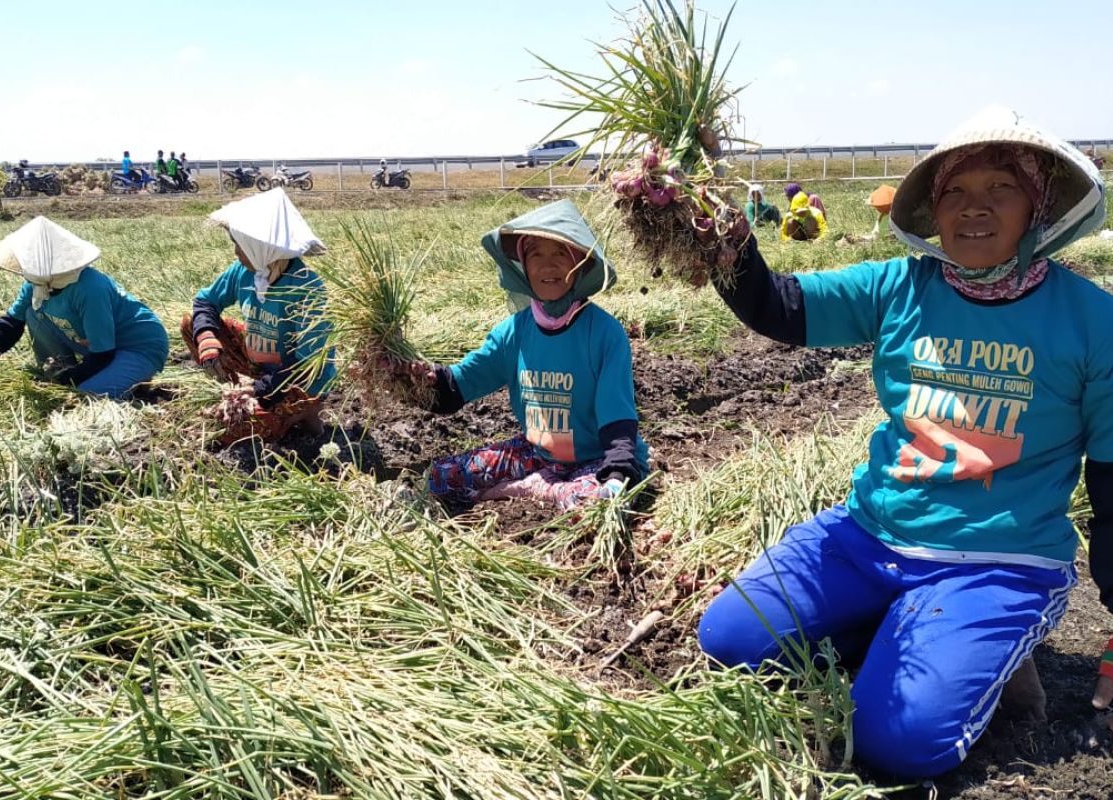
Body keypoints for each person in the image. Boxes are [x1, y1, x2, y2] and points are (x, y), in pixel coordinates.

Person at [695, 107, 1111, 780]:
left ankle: (998, 662)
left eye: (1000, 189)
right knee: (729, 642)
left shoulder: (1093, 321)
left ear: (1037, 206)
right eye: (955, 191)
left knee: (896, 745)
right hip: (870, 537)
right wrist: (725, 246)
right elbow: (780, 306)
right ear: (933, 208)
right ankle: (897, 621)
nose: (974, 208)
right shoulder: (898, 287)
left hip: (998, 562)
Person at [386, 199, 649, 513]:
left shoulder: (605, 334)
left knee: (593, 504)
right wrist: (416, 380)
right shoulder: (513, 332)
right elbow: (459, 386)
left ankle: (529, 488)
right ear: (523, 266)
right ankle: (539, 485)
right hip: (537, 454)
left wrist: (619, 472)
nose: (547, 266)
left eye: (560, 254)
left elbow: (617, 417)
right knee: (441, 478)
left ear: (580, 263)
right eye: (535, 254)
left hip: (597, 458)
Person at [180, 188, 335, 442]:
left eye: (238, 245)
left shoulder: (307, 288)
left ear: (259, 246)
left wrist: (259, 389)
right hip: (262, 366)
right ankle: (242, 393)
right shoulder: (244, 271)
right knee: (191, 325)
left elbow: (307, 365)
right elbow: (205, 301)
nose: (236, 253)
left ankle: (307, 411)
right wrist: (207, 337)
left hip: (299, 379)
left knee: (243, 433)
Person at [0, 216, 169, 399]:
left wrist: (67, 382)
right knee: (32, 312)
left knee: (88, 395)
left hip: (136, 346)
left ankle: (135, 376)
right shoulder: (36, 285)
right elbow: (10, 325)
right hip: (96, 346)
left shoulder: (90, 288)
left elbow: (103, 354)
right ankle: (60, 366)